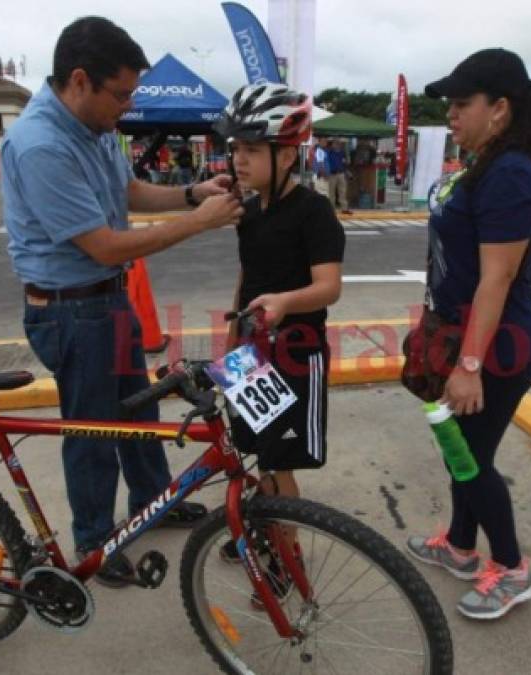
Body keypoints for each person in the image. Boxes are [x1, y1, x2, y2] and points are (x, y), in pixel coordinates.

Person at [0, 17, 244, 587]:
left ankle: (153, 499)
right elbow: (105, 244)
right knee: (92, 430)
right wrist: (198, 222)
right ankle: (93, 540)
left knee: (137, 407)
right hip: (68, 308)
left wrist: (191, 192)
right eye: (122, 93)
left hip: (105, 300)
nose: (128, 106)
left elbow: (126, 191)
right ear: (80, 80)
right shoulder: (39, 144)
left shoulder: (96, 126)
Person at [406, 47, 531, 620]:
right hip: (461, 335)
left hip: (499, 345)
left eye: (461, 103)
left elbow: (496, 279)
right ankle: (462, 547)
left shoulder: (512, 173)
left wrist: (469, 365)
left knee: (470, 457)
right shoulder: (484, 164)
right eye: (449, 104)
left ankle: (513, 569)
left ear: (500, 108)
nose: (451, 114)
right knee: (460, 452)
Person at [213, 83, 345, 603]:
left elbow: (328, 286)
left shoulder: (314, 213)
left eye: (250, 150)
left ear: (286, 153)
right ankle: (263, 527)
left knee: (280, 461)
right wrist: (230, 335)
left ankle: (285, 557)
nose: (239, 159)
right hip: (251, 349)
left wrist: (287, 302)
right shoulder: (249, 210)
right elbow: (246, 276)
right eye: (236, 149)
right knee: (252, 448)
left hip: (294, 351)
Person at [326, 139, 350, 212]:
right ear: (332, 144)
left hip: (341, 173)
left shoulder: (342, 153)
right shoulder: (329, 152)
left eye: (338, 143)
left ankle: (344, 208)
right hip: (332, 174)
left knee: (342, 191)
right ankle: (331, 208)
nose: (337, 145)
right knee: (331, 192)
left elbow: (346, 162)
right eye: (335, 143)